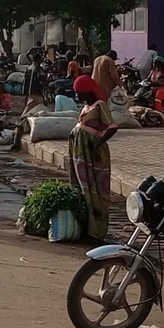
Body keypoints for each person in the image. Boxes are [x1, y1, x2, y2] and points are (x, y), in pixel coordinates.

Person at [68, 75, 117, 240]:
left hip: (94, 154)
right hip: (81, 154)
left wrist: (97, 143)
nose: (77, 95)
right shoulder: (85, 107)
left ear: (87, 91)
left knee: (96, 189)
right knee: (82, 188)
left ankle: (98, 229)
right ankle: (86, 225)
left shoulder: (100, 105)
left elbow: (112, 127)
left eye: (78, 92)